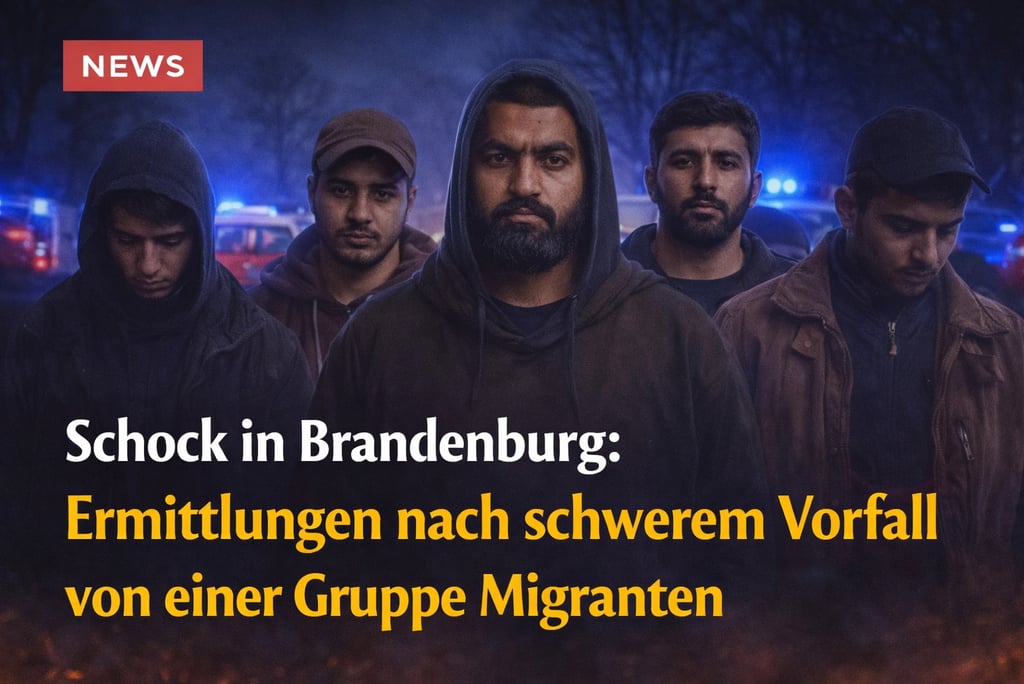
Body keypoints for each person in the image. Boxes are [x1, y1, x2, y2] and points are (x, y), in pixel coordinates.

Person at [303, 60, 768, 596]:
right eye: (499, 157)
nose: (524, 185)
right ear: (466, 171)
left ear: (588, 175)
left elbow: (740, 557)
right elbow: (321, 555)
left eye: (553, 159)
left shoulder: (678, 337)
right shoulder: (379, 338)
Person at [714, 107, 1024, 607]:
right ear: (849, 208)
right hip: (800, 645)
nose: (929, 253)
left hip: (958, 646)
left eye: (947, 230)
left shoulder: (1006, 345)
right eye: (904, 227)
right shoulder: (750, 328)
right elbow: (711, 514)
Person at [1, 121, 313, 586]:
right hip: (66, 629)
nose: (147, 265)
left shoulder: (265, 355)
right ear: (101, 231)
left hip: (215, 627)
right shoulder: (44, 337)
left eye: (169, 241)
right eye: (127, 241)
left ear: (200, 236)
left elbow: (297, 529)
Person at [249, 109, 436, 378]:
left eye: (382, 194)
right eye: (341, 190)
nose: (359, 214)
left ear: (411, 201)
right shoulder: (257, 319)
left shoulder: (449, 312)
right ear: (312, 193)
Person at [621, 91, 795, 315]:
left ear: (754, 189)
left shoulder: (796, 296)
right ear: (652, 183)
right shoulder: (599, 289)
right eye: (684, 162)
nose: (705, 181)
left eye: (726, 163)